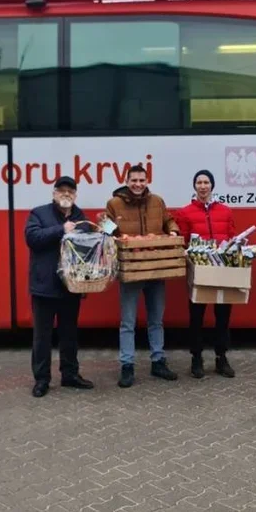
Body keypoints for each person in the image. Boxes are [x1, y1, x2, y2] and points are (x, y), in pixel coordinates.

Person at [104, 164, 180, 388]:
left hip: (156, 268)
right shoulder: (114, 203)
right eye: (134, 180)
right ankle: (127, 365)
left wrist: (173, 230)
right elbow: (106, 226)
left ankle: (158, 361)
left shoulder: (157, 201)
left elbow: (168, 220)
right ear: (127, 181)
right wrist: (111, 235)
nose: (138, 184)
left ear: (147, 181)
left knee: (156, 320)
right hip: (131, 269)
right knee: (128, 322)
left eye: (141, 180)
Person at [24, 175, 95, 398]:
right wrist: (61, 229)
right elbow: (32, 238)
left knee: (69, 334)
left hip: (70, 287)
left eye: (70, 191)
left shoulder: (80, 216)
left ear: (75, 195)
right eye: (62, 190)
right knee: (42, 337)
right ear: (54, 194)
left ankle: (70, 375)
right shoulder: (39, 213)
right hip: (44, 286)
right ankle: (42, 380)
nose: (66, 194)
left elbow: (88, 247)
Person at [176, 170, 237, 379]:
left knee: (223, 316)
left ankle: (221, 358)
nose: (203, 186)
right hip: (199, 270)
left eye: (206, 182)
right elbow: (183, 240)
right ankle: (196, 358)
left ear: (212, 186)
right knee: (196, 317)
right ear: (195, 186)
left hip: (222, 269)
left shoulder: (225, 211)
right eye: (199, 182)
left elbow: (231, 236)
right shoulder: (185, 212)